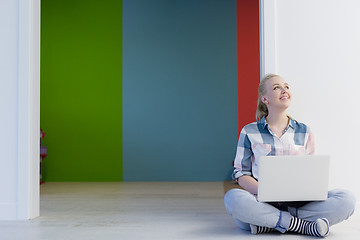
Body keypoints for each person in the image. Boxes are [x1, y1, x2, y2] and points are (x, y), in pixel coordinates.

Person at [224, 74, 356, 237]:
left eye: (286, 86)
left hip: (300, 204)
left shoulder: (305, 131)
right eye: (276, 87)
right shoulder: (249, 131)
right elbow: (241, 173)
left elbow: (312, 173)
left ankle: (268, 224)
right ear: (264, 99)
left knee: (347, 199)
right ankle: (303, 226)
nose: (284, 90)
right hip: (263, 202)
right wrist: (268, 192)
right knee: (233, 198)